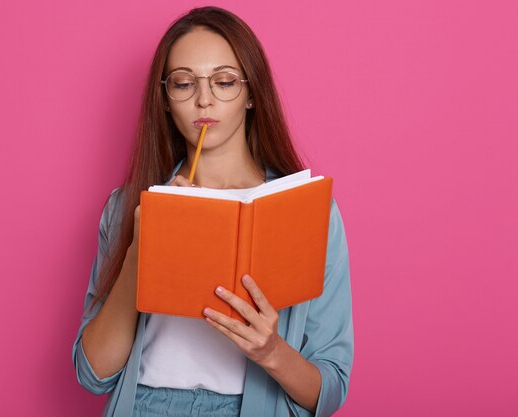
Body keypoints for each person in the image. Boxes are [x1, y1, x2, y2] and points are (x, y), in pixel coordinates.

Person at [72, 6, 353, 417]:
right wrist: (141, 251)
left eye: (224, 82)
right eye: (184, 83)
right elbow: (92, 373)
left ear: (252, 93)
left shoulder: (310, 212)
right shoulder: (126, 207)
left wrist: (271, 350)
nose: (204, 99)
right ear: (166, 100)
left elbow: (330, 389)